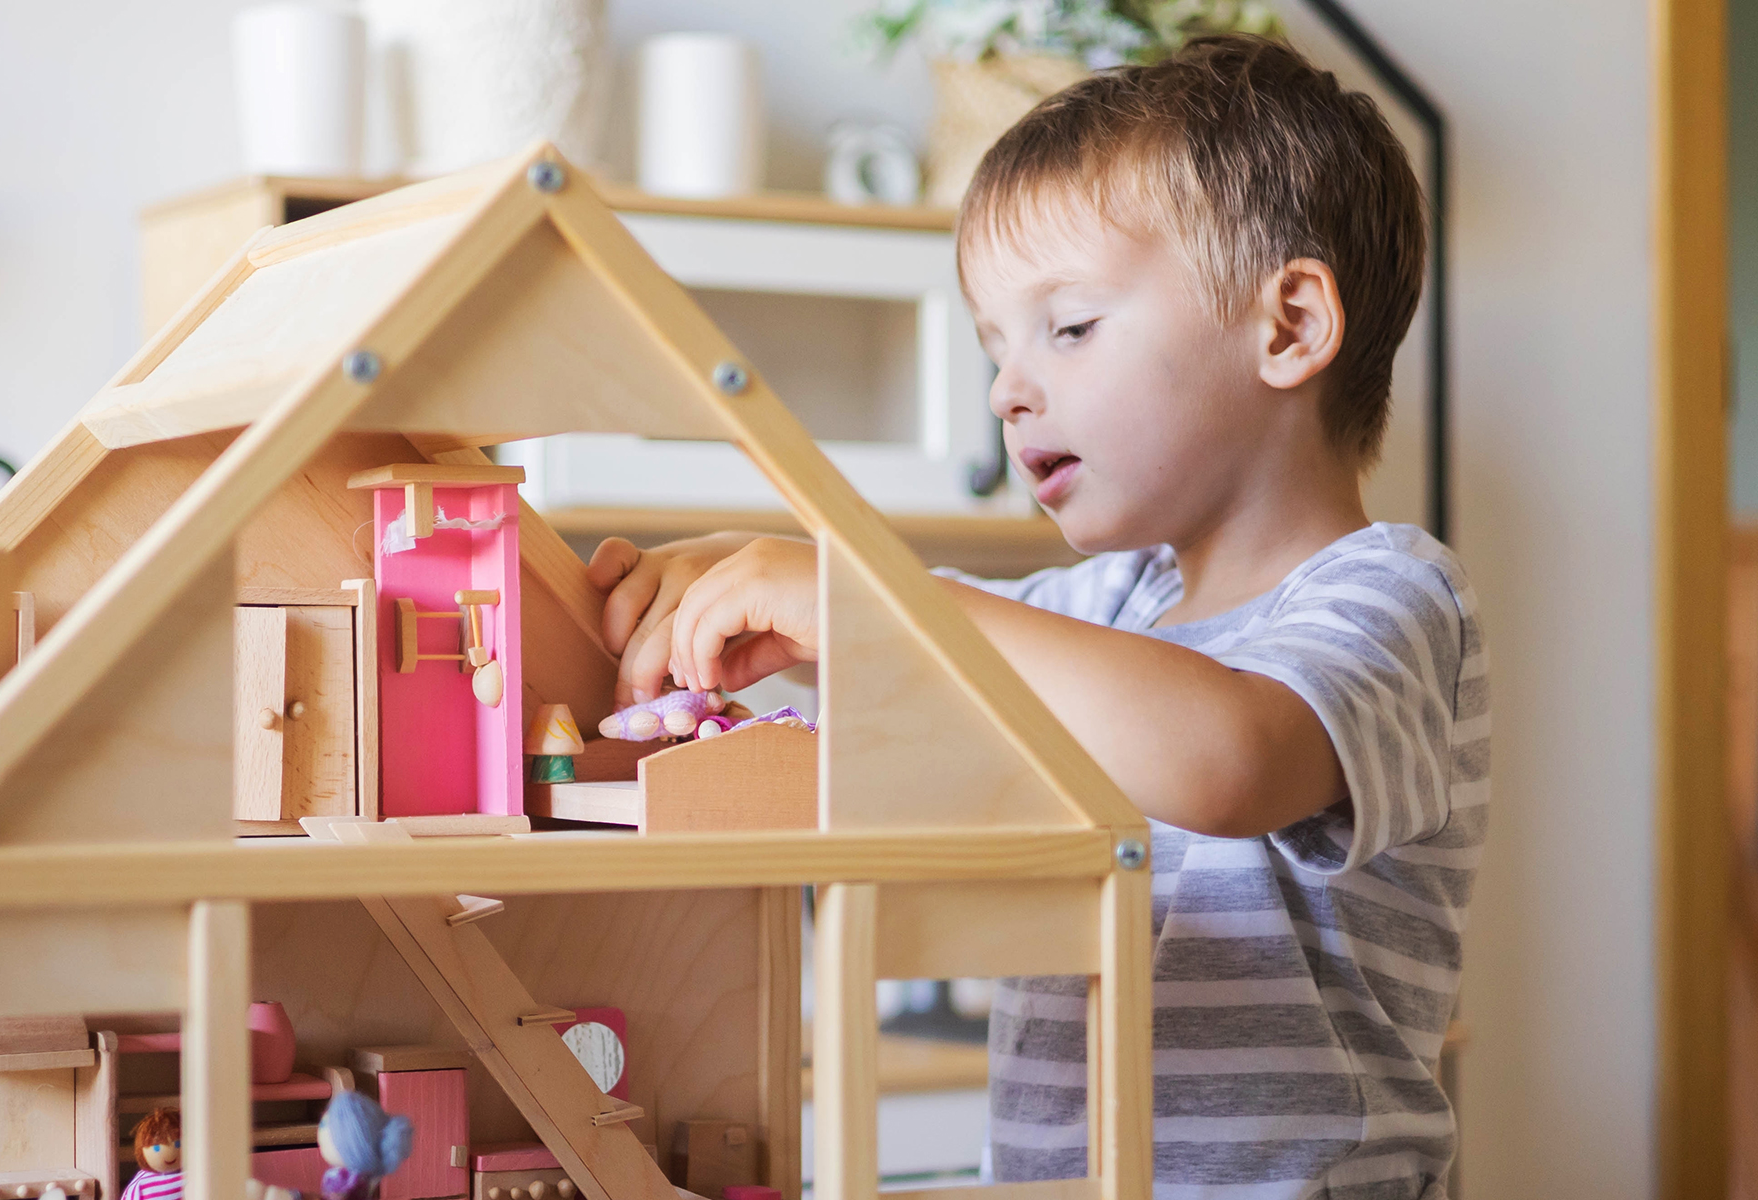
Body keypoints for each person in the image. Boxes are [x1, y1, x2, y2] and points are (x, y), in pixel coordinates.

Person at [585, 34, 1486, 1199]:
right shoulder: (1106, 606)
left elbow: (1227, 758)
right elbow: (941, 673)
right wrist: (770, 586)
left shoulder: (1395, 595)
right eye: (992, 346)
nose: (1009, 390)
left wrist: (868, 600)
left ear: (1290, 326)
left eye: (1068, 327)